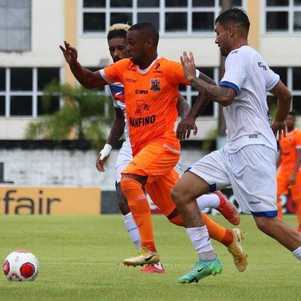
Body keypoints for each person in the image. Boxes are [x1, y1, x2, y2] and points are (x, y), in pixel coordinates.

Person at [60, 22, 247, 274]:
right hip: (140, 150)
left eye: (131, 44)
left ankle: (149, 252)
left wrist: (190, 116)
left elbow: (207, 84)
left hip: (164, 146)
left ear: (148, 44)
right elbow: (90, 81)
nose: (126, 48)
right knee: (177, 215)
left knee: (128, 181)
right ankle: (228, 238)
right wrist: (74, 64)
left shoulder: (169, 69)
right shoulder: (123, 69)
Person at [172, 8, 301, 284]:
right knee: (182, 192)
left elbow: (227, 96)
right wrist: (277, 122)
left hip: (251, 149)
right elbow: (285, 94)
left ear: (231, 31)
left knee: (267, 222)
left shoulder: (238, 57)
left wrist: (194, 79)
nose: (216, 40)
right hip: (236, 148)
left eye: (218, 33)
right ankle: (207, 259)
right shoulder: (253, 58)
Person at [277, 111, 301, 229]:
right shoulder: (282, 135)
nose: (288, 121)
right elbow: (281, 154)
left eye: (291, 119)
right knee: (274, 195)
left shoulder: (298, 134)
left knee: (299, 200)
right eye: (287, 119)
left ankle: (300, 227)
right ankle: (278, 223)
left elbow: (299, 156)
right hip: (283, 170)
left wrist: (294, 173)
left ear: (294, 121)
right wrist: (274, 169)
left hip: (295, 171)